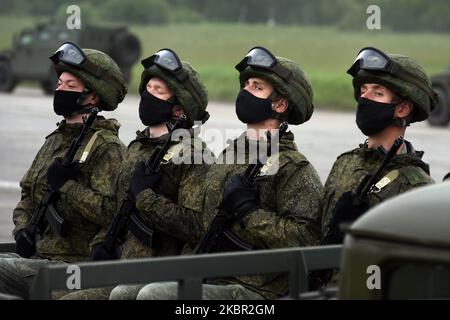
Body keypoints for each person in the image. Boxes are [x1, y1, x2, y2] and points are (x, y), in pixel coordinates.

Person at [135, 46, 323, 300]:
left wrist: (251, 213)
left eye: (257, 87)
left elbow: (309, 241)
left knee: (153, 296)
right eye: (246, 84)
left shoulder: (293, 167)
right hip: (212, 275)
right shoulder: (230, 154)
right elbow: (201, 221)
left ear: (280, 104)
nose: (246, 91)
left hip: (257, 291)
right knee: (126, 292)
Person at [61, 48, 212, 300]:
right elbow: (119, 209)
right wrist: (102, 243)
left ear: (178, 109)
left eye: (158, 91)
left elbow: (195, 225)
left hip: (158, 273)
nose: (148, 95)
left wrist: (146, 198)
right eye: (148, 89)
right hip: (121, 264)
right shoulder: (137, 147)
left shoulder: (193, 154)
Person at [0, 42, 127, 299]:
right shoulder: (55, 141)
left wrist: (67, 187)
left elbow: (111, 212)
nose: (61, 89)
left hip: (72, 265)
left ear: (92, 96)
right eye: (60, 83)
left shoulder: (106, 148)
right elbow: (28, 193)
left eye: (70, 86)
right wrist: (23, 229)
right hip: (38, 256)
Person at [321, 47, 438, 245]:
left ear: (402, 108)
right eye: (363, 90)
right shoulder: (344, 163)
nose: (365, 98)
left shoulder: (417, 187)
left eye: (377, 92)